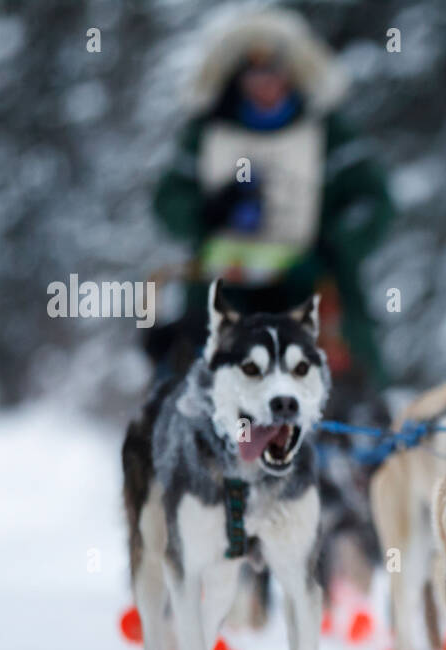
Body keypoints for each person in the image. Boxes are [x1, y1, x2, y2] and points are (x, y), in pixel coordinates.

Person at [148, 7, 394, 396]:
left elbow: (373, 203)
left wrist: (334, 246)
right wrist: (204, 214)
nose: (266, 84)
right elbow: (168, 201)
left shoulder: (330, 133)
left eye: (274, 73)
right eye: (255, 74)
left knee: (345, 388)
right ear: (239, 78)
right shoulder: (206, 133)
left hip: (314, 287)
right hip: (224, 289)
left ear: (292, 74)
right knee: (195, 387)